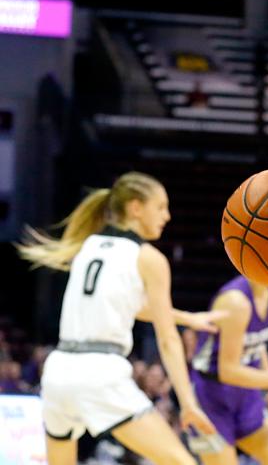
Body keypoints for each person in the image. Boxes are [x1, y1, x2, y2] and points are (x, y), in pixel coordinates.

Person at [17, 171, 219, 465]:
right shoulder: (148, 257)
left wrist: (187, 318)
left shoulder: (87, 247)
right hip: (100, 374)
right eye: (161, 207)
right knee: (182, 462)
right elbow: (167, 340)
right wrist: (188, 403)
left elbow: (130, 305)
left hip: (58, 372)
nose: (167, 216)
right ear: (136, 208)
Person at [187, 275, 268, 465]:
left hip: (246, 393)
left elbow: (257, 340)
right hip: (211, 395)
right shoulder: (235, 302)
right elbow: (228, 371)